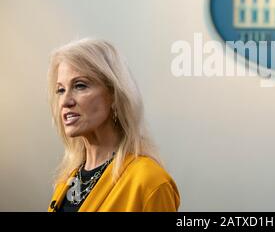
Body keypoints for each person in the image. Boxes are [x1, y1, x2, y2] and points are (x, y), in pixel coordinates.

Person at [47, 38, 180, 212]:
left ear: (114, 95)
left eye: (80, 86)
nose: (65, 101)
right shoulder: (65, 182)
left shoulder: (149, 182)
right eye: (61, 90)